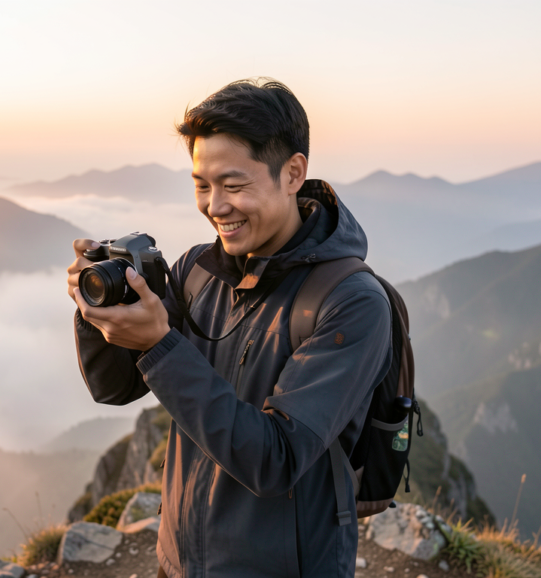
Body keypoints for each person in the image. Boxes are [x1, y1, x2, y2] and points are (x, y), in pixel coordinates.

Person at [66, 78, 392, 578]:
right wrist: (98, 313)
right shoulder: (199, 270)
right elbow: (115, 387)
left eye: (234, 185)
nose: (215, 206)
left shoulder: (350, 301)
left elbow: (276, 460)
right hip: (180, 561)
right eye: (202, 184)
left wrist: (159, 343)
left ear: (293, 174)